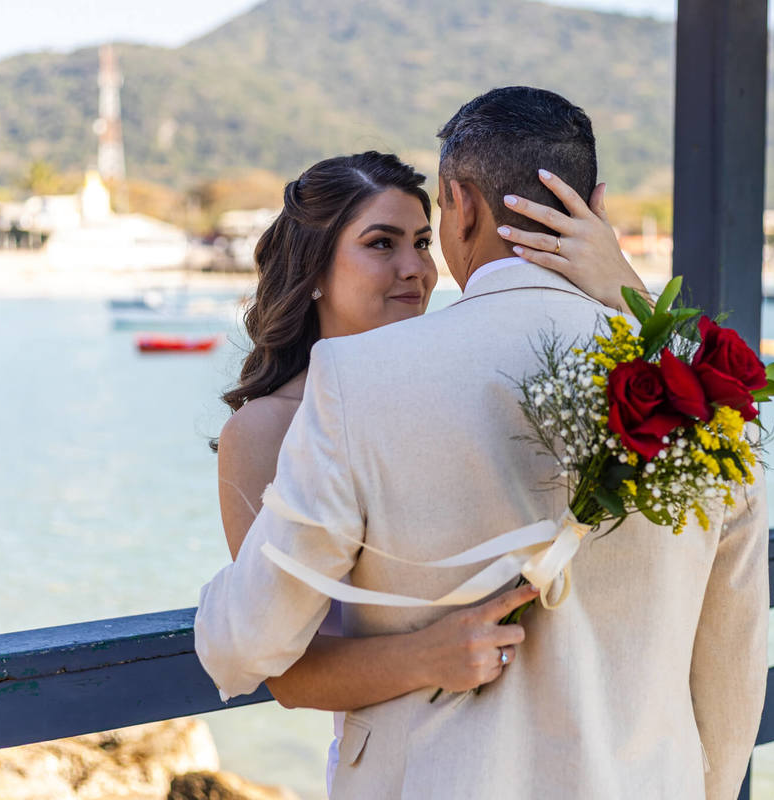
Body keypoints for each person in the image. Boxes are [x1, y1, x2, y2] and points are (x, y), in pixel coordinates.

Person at [197, 87, 768, 800]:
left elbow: (249, 643)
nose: (413, 265)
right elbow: (733, 659)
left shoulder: (354, 384)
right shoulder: (704, 391)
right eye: (381, 244)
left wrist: (218, 611)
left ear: (457, 204)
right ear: (597, 203)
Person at [213, 149, 647, 796]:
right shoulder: (263, 431)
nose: (415, 268)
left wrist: (622, 286)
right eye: (380, 244)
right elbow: (284, 670)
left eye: (422, 240)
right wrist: (431, 657)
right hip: (399, 767)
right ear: (312, 272)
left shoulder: (459, 380)